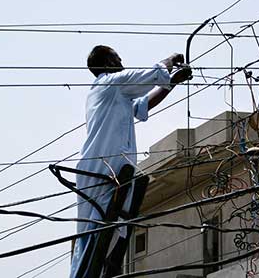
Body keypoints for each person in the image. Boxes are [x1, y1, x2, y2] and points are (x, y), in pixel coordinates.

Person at [69, 45, 192, 278]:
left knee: (113, 229)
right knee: (93, 233)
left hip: (112, 168)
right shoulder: (111, 83)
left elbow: (142, 105)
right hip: (100, 166)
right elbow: (147, 76)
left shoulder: (116, 93)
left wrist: (173, 81)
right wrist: (171, 59)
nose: (122, 62)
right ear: (106, 64)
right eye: (117, 58)